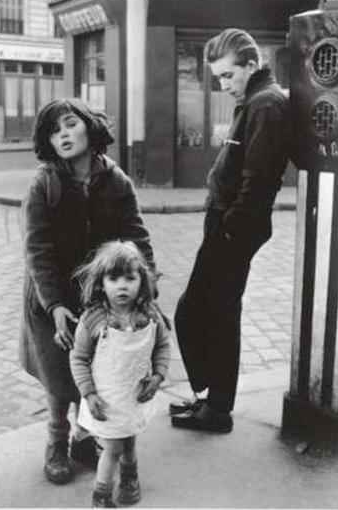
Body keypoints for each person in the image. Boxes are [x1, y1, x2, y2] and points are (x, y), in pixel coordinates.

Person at [20, 98, 157, 485]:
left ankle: (84, 438)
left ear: (90, 127)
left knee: (94, 368)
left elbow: (137, 239)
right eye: (53, 130)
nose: (62, 135)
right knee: (58, 374)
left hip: (98, 297)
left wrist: (148, 285)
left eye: (69, 124)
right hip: (51, 298)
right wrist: (55, 305)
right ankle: (56, 442)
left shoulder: (117, 182)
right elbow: (37, 250)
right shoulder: (43, 184)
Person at [170, 28, 291, 433]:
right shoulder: (255, 101)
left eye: (227, 76)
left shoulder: (266, 104)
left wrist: (229, 229)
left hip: (233, 225)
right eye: (218, 78)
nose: (223, 86)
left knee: (207, 314)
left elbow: (258, 182)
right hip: (226, 222)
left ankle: (217, 409)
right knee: (205, 312)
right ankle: (212, 400)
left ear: (251, 65)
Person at [70, 240, 171, 508]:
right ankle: (101, 497)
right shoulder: (93, 320)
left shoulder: (149, 316)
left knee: (128, 439)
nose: (123, 285)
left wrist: (158, 376)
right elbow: (78, 358)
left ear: (142, 280)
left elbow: (162, 345)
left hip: (134, 393)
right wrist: (88, 393)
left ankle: (129, 478)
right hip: (105, 398)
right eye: (114, 278)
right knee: (112, 447)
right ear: (101, 283)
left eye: (130, 277)